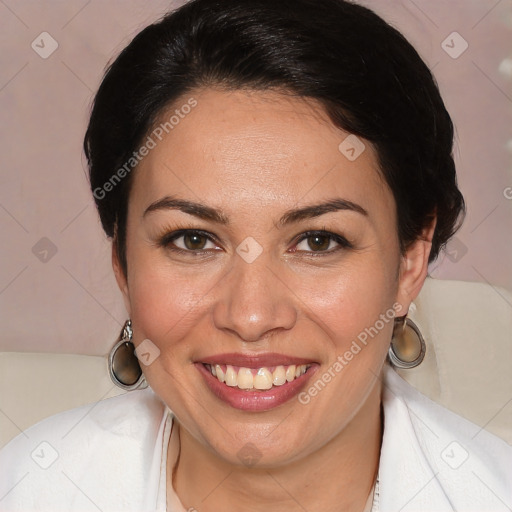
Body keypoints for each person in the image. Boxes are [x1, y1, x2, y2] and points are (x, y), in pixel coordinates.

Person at [0, 0, 511, 510]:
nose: (250, 316)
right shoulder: (28, 487)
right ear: (122, 263)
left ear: (409, 262)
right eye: (193, 240)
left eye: (318, 241)